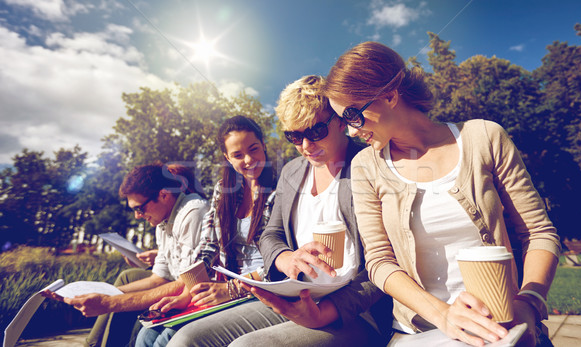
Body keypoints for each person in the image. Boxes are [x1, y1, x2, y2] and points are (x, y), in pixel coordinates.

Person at [323, 41, 561, 347]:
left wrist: (528, 302)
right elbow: (380, 262)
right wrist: (444, 315)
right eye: (345, 121)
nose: (351, 131)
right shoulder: (366, 166)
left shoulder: (484, 137)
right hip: (420, 334)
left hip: (504, 328)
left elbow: (539, 232)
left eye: (353, 116)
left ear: (390, 95)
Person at [166, 75, 392, 347]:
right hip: (295, 296)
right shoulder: (293, 171)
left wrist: (323, 313)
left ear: (340, 120)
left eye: (316, 131)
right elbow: (269, 235)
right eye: (294, 136)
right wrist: (285, 258)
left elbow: (385, 260)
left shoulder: (369, 165)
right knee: (186, 339)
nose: (306, 146)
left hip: (353, 310)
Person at [135, 115, 277, 347]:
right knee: (148, 335)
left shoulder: (278, 190)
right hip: (226, 288)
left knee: (170, 340)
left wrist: (231, 289)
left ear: (264, 146)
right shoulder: (223, 191)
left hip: (260, 289)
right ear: (227, 158)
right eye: (238, 155)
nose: (249, 160)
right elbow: (208, 247)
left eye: (254, 149)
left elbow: (278, 263)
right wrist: (188, 293)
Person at [46, 162, 210, 347]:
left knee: (145, 338)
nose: (137, 216)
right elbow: (159, 278)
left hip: (199, 295)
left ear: (164, 195)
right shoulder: (162, 220)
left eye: (139, 208)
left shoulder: (193, 213)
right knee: (143, 333)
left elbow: (188, 282)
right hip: (182, 290)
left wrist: (111, 302)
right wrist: (98, 292)